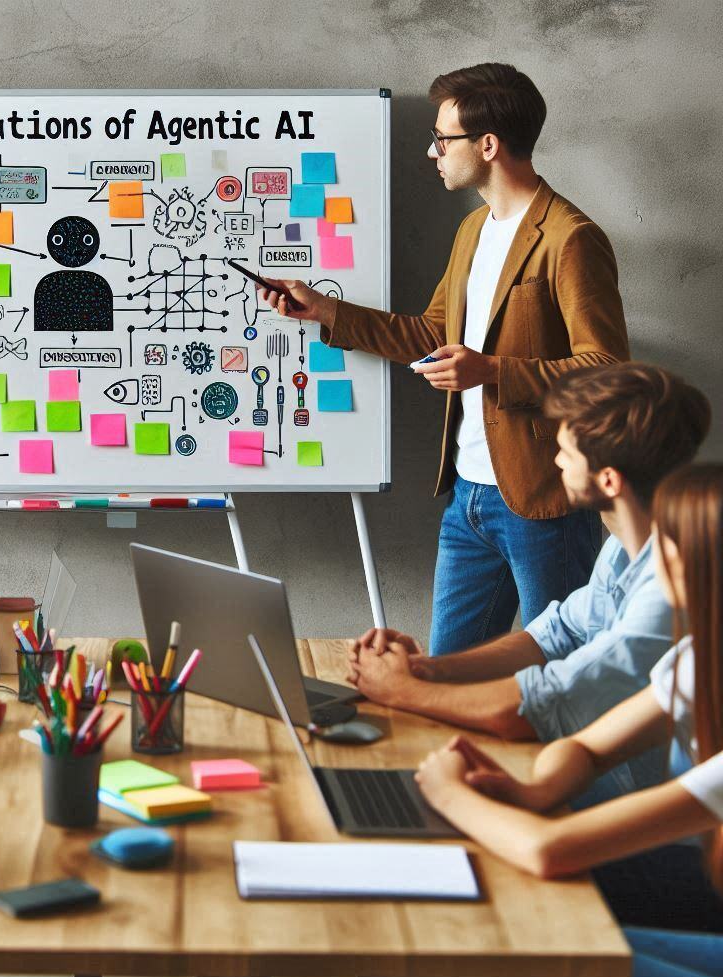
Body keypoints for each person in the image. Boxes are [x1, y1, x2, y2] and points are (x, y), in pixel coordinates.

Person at [260, 62, 629, 655]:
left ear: (487, 144)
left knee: (557, 678)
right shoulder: (473, 231)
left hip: (544, 500)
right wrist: (327, 311)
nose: (433, 152)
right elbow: (432, 333)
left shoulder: (570, 237)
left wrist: (491, 372)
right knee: (444, 677)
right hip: (469, 497)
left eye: (442, 138)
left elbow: (608, 370)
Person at [390, 463, 723, 977]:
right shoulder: (698, 661)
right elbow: (591, 748)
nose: (649, 565)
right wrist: (531, 791)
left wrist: (449, 793)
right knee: (485, 924)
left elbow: (552, 851)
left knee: (529, 955)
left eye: (663, 550)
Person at [347, 364, 710, 807]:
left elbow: (544, 704)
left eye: (566, 453)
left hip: (646, 809)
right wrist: (427, 670)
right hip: (590, 774)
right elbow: (557, 634)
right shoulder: (626, 546)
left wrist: (403, 691)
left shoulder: (674, 587)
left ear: (609, 480)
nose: (554, 461)